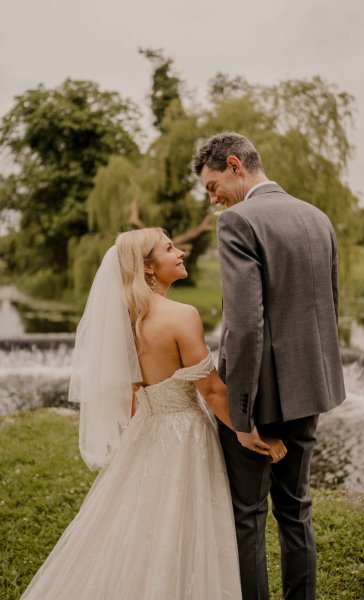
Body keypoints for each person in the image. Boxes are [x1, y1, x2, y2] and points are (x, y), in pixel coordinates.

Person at [20, 227, 287, 600]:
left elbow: (131, 392)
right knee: (184, 525)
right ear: (148, 267)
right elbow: (210, 388)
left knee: (136, 520)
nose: (180, 253)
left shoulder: (125, 319)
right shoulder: (182, 315)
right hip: (185, 433)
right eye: (169, 248)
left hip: (146, 430)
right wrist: (247, 432)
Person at [193, 132, 346, 600]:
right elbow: (329, 308)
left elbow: (243, 326)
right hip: (310, 390)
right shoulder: (317, 218)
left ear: (236, 165)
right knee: (296, 507)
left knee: (248, 515)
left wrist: (241, 418)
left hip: (259, 400)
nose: (212, 197)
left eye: (212, 184)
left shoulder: (238, 221)